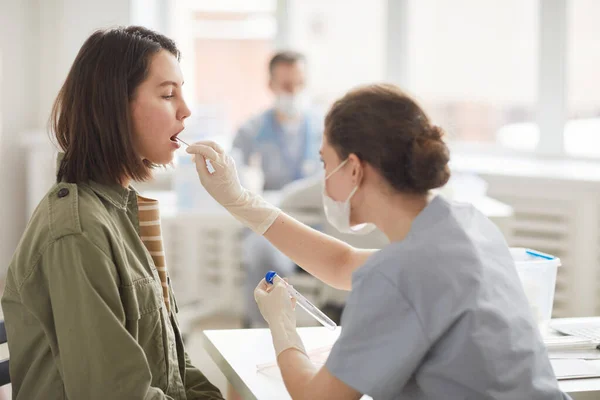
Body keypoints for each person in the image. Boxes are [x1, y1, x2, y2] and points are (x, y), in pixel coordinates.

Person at [186, 84, 570, 399]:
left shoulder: (400, 273)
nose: (323, 179)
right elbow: (341, 264)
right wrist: (240, 201)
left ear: (353, 167)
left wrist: (282, 325)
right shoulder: (468, 224)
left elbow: (316, 399)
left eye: (324, 163)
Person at [1, 26, 223, 400]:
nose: (186, 110)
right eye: (168, 94)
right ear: (114, 106)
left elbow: (169, 363)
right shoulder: (79, 232)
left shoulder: (119, 210)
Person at [232, 50, 323, 327]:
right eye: (286, 85)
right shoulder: (251, 131)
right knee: (265, 258)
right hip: (270, 225)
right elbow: (233, 180)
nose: (293, 92)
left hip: (317, 222)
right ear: (271, 85)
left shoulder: (323, 128)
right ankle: (267, 333)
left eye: (299, 84)